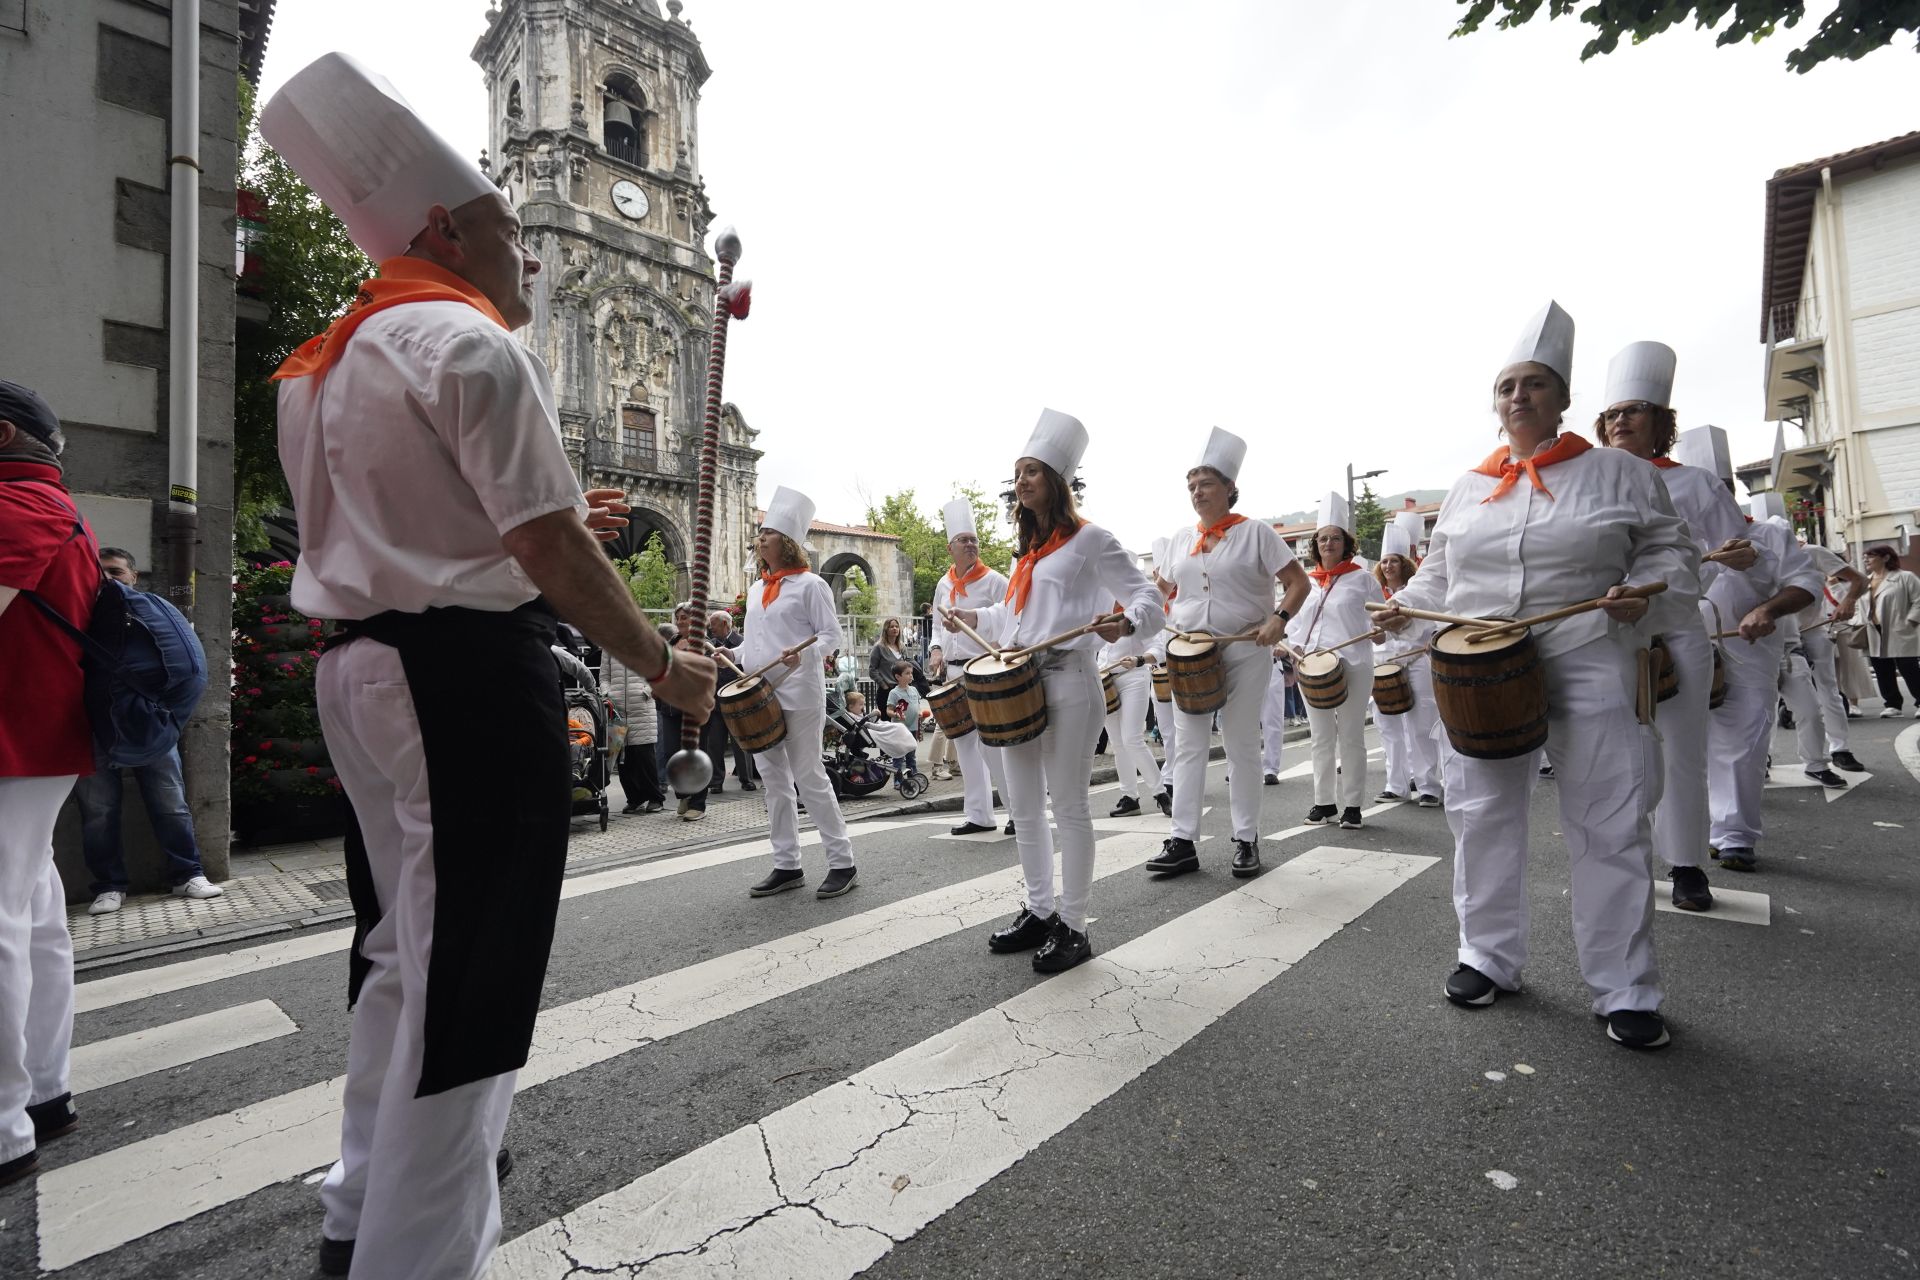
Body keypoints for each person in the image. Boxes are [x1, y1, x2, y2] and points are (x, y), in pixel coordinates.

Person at [261, 55, 717, 1279]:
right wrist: (664, 663)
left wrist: (558, 517)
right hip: (462, 678)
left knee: (395, 953)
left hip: (360, 668)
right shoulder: (470, 343)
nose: (526, 255)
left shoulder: (327, 362)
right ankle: (420, 1254)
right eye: (511, 232)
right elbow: (544, 546)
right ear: (445, 230)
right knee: (474, 970)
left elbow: (411, 518)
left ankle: (360, 1198)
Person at [1380, 301, 1698, 1050]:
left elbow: (1670, 557)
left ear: (1561, 398)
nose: (1518, 396)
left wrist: (1641, 596)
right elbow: (1437, 579)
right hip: (1482, 667)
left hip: (1591, 654)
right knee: (1482, 815)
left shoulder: (1618, 472)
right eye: (1506, 386)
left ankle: (1624, 989)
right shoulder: (1467, 487)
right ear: (1495, 405)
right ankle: (1486, 955)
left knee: (1609, 822)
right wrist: (1401, 611)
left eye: (1534, 384)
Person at [946, 409, 1164, 973]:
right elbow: (1011, 618)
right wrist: (967, 614)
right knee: (1023, 806)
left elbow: (1148, 600)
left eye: (1032, 472)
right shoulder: (1029, 553)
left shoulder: (1092, 540)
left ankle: (1073, 923)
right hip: (1019, 684)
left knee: (1068, 807)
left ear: (1058, 482)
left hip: (1070, 680)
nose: (1021, 482)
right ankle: (1040, 909)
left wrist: (1126, 623)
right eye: (1017, 473)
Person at [1593, 348, 1756, 911]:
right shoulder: (1586, 483)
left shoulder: (1696, 484)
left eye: (1635, 410)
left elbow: (1737, 549)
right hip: (1604, 633)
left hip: (1677, 626)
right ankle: (1620, 858)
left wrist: (1714, 577)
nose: (1620, 421)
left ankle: (1687, 864)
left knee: (1683, 749)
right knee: (1609, 751)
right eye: (1612, 413)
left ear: (1661, 421)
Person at [0, 379, 94, 1187]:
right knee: (32, 913)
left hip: (12, 738)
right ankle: (41, 1091)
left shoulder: (19, 508)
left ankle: (5, 1121)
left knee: (12, 918)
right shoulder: (48, 506)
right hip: (30, 738)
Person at [1149, 428, 1307, 878]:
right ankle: (1182, 840)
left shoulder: (1256, 533)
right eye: (1192, 486)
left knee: (1240, 743)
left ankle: (1245, 838)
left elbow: (1299, 582)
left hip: (1244, 648)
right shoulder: (1182, 540)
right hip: (1192, 652)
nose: (1197, 492)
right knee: (1187, 744)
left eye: (1206, 484)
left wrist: (1278, 619)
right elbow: (1165, 589)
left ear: (1230, 489)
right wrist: (1146, 605)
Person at [72, 547, 225, 913]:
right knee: (98, 810)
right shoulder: (78, 616)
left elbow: (187, 663)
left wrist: (168, 715)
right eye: (101, 573)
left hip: (150, 723)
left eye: (116, 572)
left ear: (133, 576)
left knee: (170, 802)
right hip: (92, 726)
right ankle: (109, 885)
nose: (108, 579)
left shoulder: (150, 611)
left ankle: (188, 875)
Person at [740, 487, 859, 899]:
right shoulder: (757, 590)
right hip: (760, 694)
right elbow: (754, 644)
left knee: (808, 776)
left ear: (786, 542)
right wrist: (730, 652)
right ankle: (787, 864)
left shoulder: (811, 585)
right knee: (773, 780)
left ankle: (842, 862)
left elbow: (831, 635)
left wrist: (802, 655)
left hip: (801, 691)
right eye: (760, 535)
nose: (760, 540)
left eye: (767, 534)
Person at [1287, 491, 1384, 830]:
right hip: (1313, 668)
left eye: (1335, 538)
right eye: (1323, 538)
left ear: (1346, 543)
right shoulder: (1308, 583)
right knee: (1320, 736)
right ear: (1316, 544)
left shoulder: (1363, 580)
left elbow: (1381, 623)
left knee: (1352, 735)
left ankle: (1354, 805)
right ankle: (1323, 802)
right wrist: (1290, 648)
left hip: (1354, 664)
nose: (1328, 543)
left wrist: (1380, 632)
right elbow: (1297, 626)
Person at [931, 498, 1013, 834]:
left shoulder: (995, 581)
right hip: (953, 670)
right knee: (965, 746)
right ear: (951, 548)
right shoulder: (944, 584)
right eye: (964, 540)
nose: (970, 544)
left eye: (974, 539)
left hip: (984, 670)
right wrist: (936, 649)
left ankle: (1019, 813)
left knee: (993, 746)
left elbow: (1011, 619)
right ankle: (979, 815)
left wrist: (997, 645)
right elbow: (937, 624)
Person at [1370, 527, 1441, 807]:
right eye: (1384, 561)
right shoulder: (1376, 593)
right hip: (1384, 666)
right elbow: (1379, 635)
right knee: (1387, 726)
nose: (1388, 565)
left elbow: (1435, 625)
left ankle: (1428, 787)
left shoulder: (1420, 592)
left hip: (1417, 661)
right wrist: (1377, 634)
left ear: (1405, 564)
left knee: (1420, 725)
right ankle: (1396, 784)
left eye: (1394, 560)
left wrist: (1430, 643)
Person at [1793, 544, 1867, 772]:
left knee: (1828, 688)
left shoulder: (1810, 552)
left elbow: (1860, 580)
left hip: (1813, 628)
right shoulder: (1755, 549)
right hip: (1775, 633)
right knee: (1767, 695)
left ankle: (1840, 748)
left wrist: (1848, 601)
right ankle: (1763, 757)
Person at [1097, 604, 1158, 817]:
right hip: (1105, 680)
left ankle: (1161, 793)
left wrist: (1139, 659)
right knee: (1117, 743)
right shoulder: (1097, 606)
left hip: (1134, 676)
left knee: (1132, 738)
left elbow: (1158, 647)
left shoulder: (1139, 609)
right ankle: (1130, 798)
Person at [603, 650, 664, 814]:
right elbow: (604, 676)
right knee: (623, 759)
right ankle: (634, 799)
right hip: (616, 709)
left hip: (642, 708)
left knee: (644, 756)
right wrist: (607, 693)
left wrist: (646, 691)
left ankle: (655, 798)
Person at [1863, 545, 1920, 715]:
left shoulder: (1905, 577)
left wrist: (1910, 620)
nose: (1866, 559)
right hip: (1874, 629)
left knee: (1908, 666)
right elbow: (1860, 607)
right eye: (1865, 556)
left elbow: (1918, 600)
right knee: (1881, 668)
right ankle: (1892, 704)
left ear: (1886, 558)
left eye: (1871, 556)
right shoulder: (1866, 581)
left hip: (1899, 628)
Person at [707, 610, 757, 791]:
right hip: (715, 702)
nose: (710, 627)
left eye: (714, 623)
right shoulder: (709, 646)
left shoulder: (742, 643)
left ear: (726, 624)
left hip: (737, 702)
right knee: (715, 743)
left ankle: (746, 779)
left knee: (741, 742)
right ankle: (716, 782)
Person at [884, 661, 924, 775]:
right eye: (907, 673)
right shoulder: (894, 693)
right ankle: (898, 778)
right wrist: (896, 714)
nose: (911, 675)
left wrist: (920, 713)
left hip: (913, 727)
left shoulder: (914, 690)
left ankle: (913, 775)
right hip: (900, 729)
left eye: (911, 673)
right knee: (899, 755)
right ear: (898, 676)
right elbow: (888, 711)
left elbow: (917, 705)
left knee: (911, 754)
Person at [922, 645, 955, 780]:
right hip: (945, 680)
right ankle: (937, 767)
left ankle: (953, 762)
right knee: (943, 725)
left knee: (957, 723)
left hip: (950, 677)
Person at [868, 617, 912, 694]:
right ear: (886, 629)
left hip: (902, 689)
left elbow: (907, 666)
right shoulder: (879, 647)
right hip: (887, 690)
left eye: (897, 626)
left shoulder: (902, 647)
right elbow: (872, 670)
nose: (895, 628)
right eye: (891, 627)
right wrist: (884, 685)